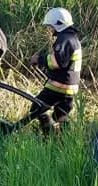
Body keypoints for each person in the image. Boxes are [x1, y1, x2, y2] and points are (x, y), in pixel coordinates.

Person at [27, 7, 82, 135]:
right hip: (70, 89)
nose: (50, 30)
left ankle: (50, 137)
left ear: (58, 25)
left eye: (51, 26)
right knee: (61, 116)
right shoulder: (73, 39)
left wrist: (38, 60)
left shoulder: (64, 40)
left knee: (37, 108)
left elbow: (56, 63)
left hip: (58, 88)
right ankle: (65, 142)